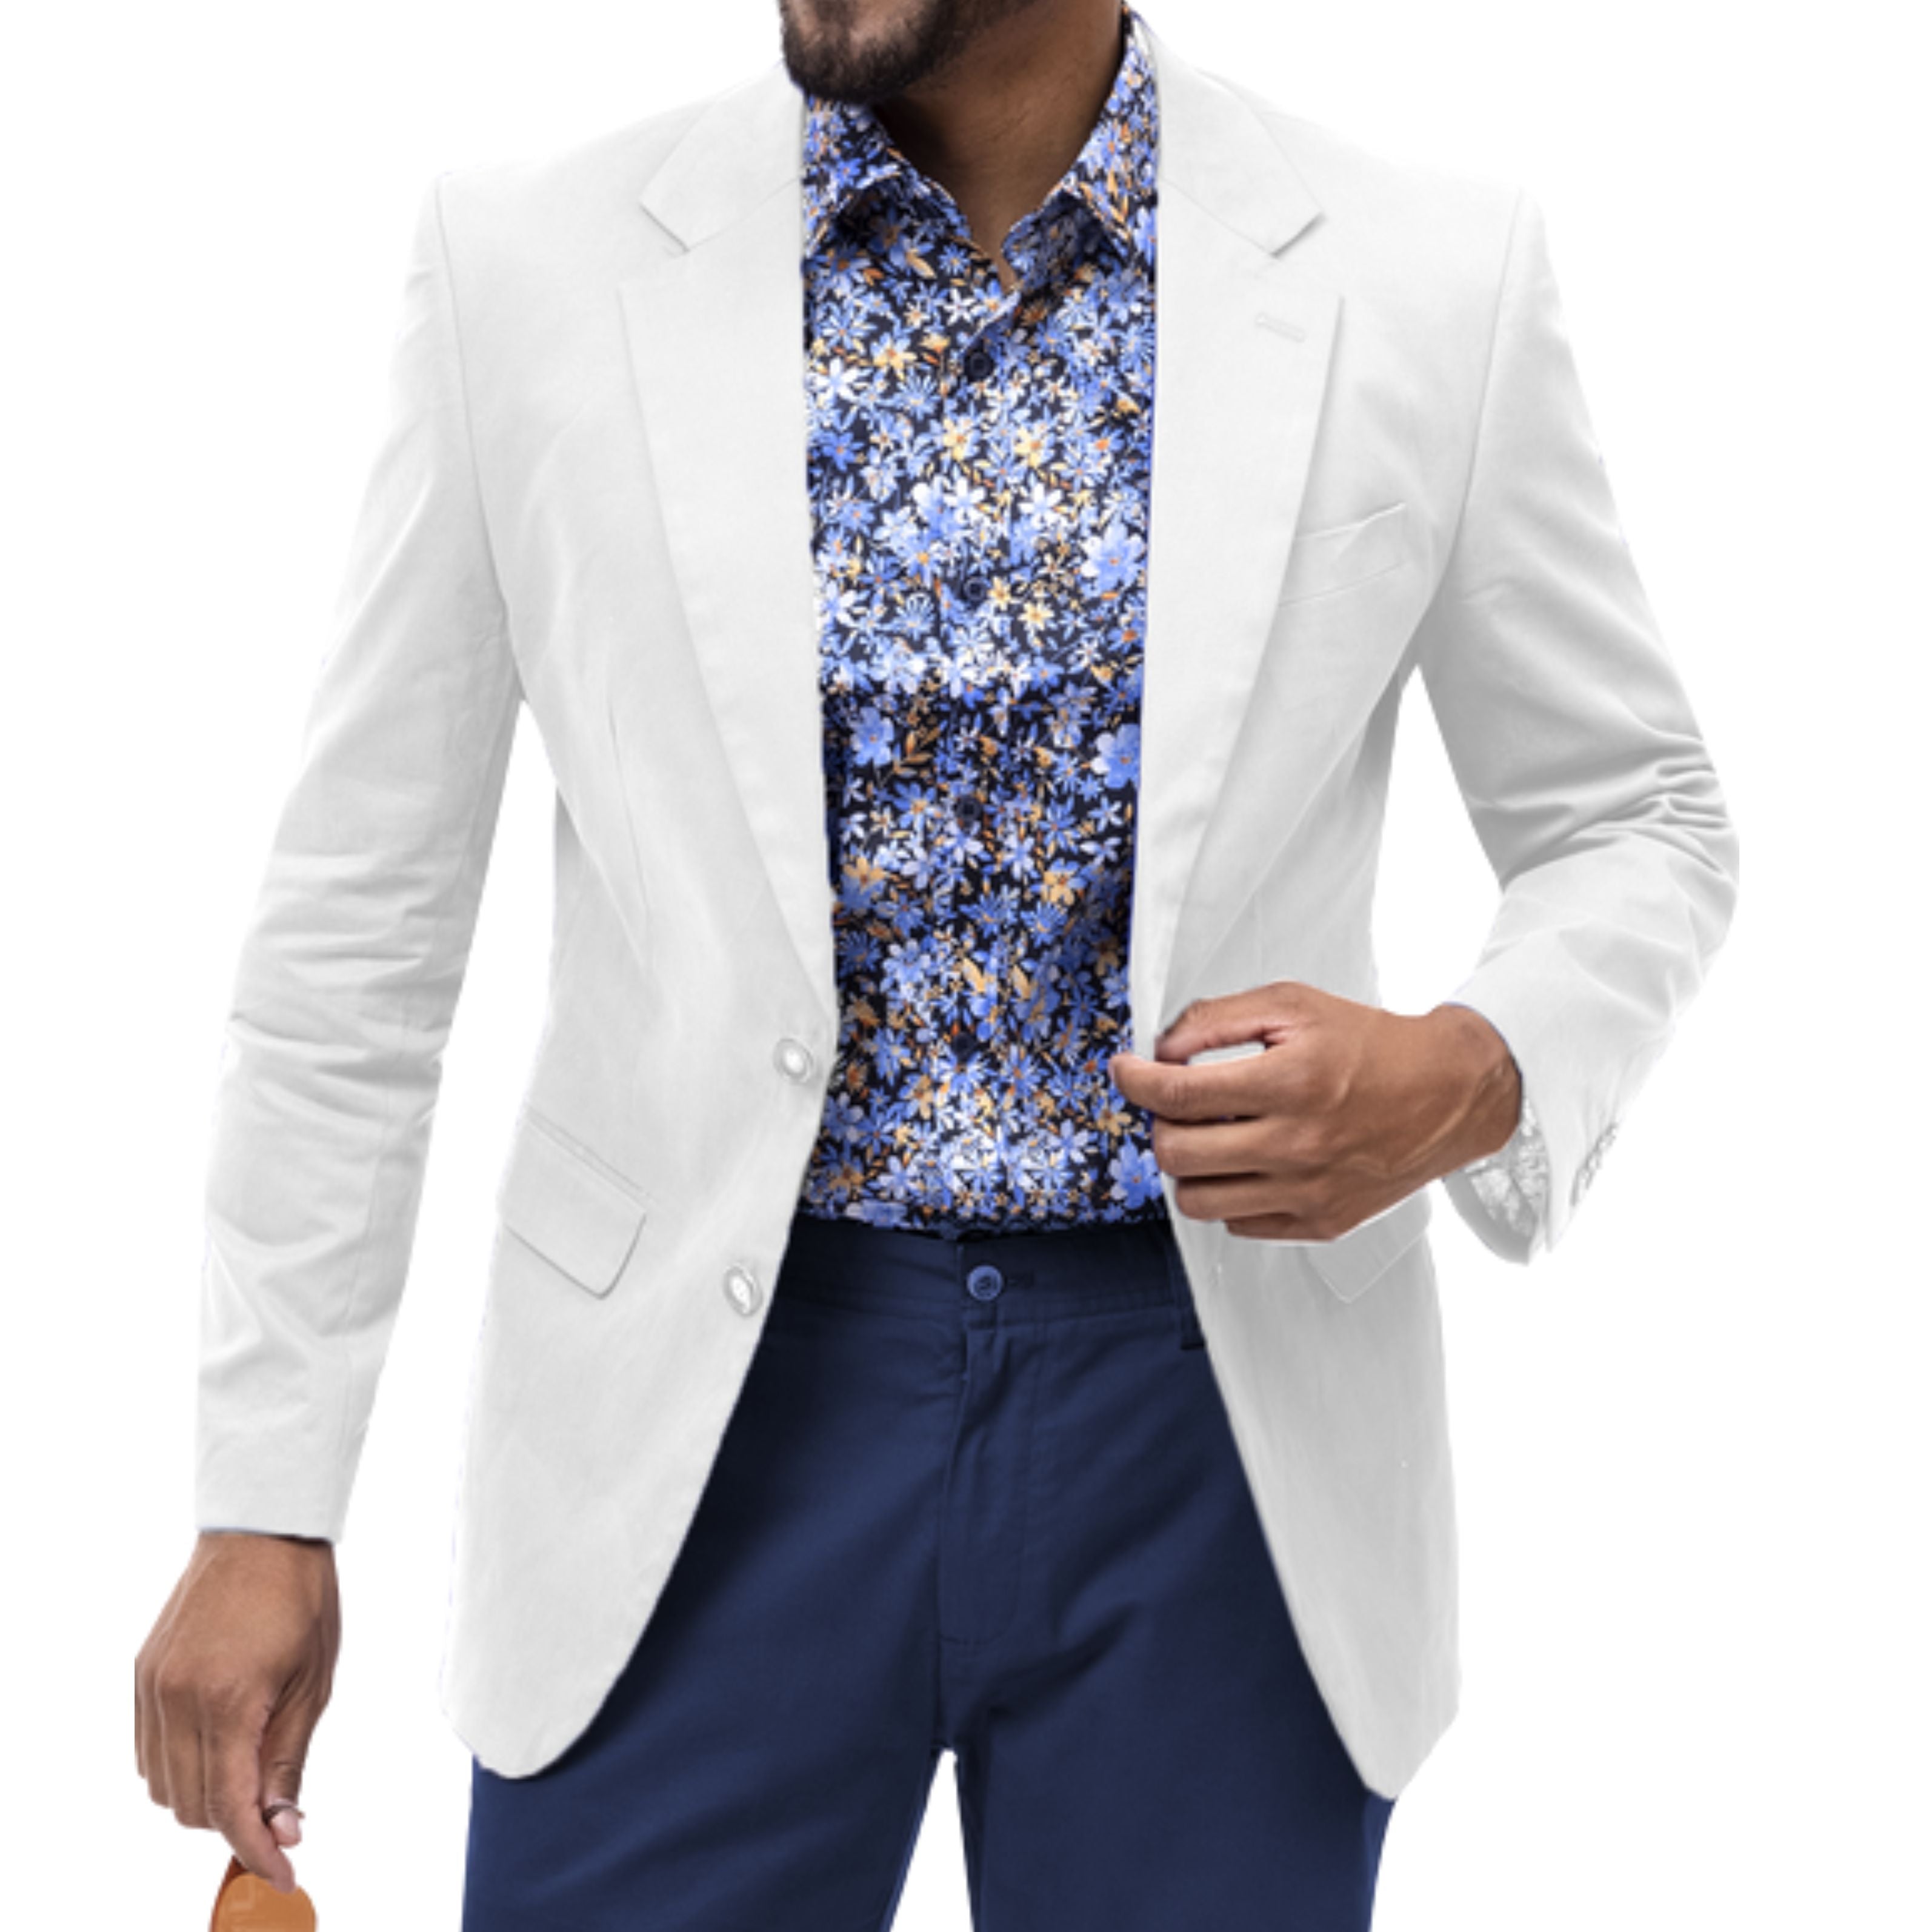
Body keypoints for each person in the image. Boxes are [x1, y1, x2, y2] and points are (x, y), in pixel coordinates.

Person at [133, 1, 1742, 1925]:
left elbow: (1635, 812)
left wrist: (1470, 1068)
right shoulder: (530, 262)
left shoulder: (1423, 269)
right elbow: (362, 917)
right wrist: (266, 1493)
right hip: (691, 1435)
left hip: (1221, 1442)